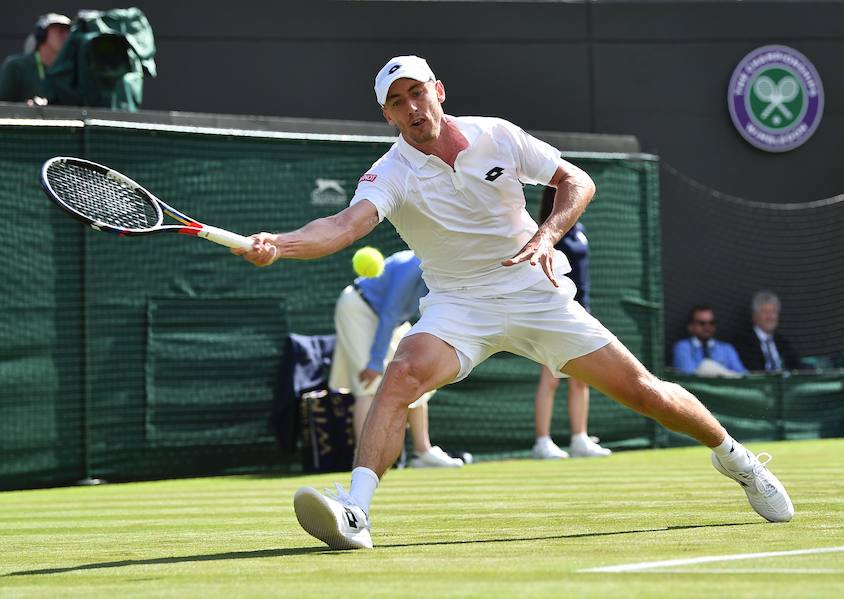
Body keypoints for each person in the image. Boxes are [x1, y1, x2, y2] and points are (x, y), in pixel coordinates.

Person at [234, 55, 794, 550]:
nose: (411, 107)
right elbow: (344, 224)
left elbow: (577, 180)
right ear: (387, 115)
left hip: (534, 291)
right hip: (459, 306)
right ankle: (356, 513)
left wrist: (547, 234)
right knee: (400, 374)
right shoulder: (390, 173)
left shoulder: (497, 136)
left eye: (417, 93)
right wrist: (279, 245)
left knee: (643, 392)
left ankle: (738, 460)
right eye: (396, 102)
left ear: (439, 92)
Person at [330, 248, 462, 468]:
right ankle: (364, 460)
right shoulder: (409, 265)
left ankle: (423, 452)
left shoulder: (447, 267)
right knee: (368, 384)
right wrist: (375, 361)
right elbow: (389, 313)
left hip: (394, 320)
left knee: (416, 376)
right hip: (358, 309)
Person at [531, 187, 611, 459]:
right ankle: (542, 443)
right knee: (550, 377)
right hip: (554, 310)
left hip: (582, 310)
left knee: (581, 379)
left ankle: (580, 439)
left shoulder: (579, 227)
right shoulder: (546, 231)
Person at [0, 13, 70, 104]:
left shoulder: (71, 70)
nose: (66, 37)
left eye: (68, 32)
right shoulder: (16, 66)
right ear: (42, 35)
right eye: (60, 31)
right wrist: (25, 108)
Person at [672, 305, 748, 377]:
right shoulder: (683, 347)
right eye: (702, 323)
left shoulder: (726, 349)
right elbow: (689, 375)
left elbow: (743, 375)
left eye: (712, 323)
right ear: (690, 326)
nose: (707, 327)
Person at [734, 290, 800, 372]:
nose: (770, 317)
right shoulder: (743, 342)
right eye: (765, 312)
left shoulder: (782, 342)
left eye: (773, 312)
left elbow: (797, 366)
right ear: (754, 316)